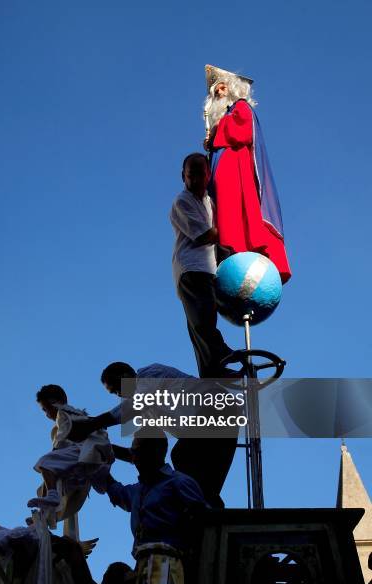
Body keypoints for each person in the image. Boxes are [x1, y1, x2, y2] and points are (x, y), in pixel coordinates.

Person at [67, 361, 240, 508]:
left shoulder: (151, 374)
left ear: (128, 373)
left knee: (182, 456)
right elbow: (144, 452)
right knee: (204, 487)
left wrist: (93, 424)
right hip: (217, 427)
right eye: (115, 393)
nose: (119, 394)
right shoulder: (147, 412)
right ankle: (212, 513)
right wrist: (105, 447)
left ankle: (204, 507)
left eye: (117, 387)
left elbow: (135, 404)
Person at [91, 429, 207, 584]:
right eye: (134, 452)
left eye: (138, 452)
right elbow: (117, 492)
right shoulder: (139, 490)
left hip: (168, 564)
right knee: (114, 573)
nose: (134, 458)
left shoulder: (179, 483)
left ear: (156, 452)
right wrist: (94, 456)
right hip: (142, 563)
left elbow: (203, 522)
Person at [203, 64, 292, 282]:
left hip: (235, 167)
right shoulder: (226, 115)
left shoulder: (241, 107)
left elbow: (241, 132)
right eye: (216, 92)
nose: (219, 93)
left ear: (232, 88)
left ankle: (238, 246)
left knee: (234, 207)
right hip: (222, 167)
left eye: (222, 88)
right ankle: (228, 250)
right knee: (224, 208)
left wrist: (217, 131)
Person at [170, 152, 235, 378]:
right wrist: (232, 224)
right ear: (183, 176)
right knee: (203, 322)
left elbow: (218, 243)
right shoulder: (182, 202)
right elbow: (204, 236)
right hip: (191, 270)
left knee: (201, 325)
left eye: (201, 174)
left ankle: (211, 373)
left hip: (207, 270)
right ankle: (221, 354)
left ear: (208, 175)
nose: (195, 180)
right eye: (191, 176)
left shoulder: (209, 202)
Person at [27, 384, 114, 509]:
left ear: (53, 403)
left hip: (83, 452)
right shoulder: (80, 415)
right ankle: (44, 514)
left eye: (45, 409)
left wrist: (55, 451)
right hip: (97, 460)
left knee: (45, 463)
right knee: (57, 481)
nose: (46, 415)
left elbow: (62, 436)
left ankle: (50, 502)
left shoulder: (63, 414)